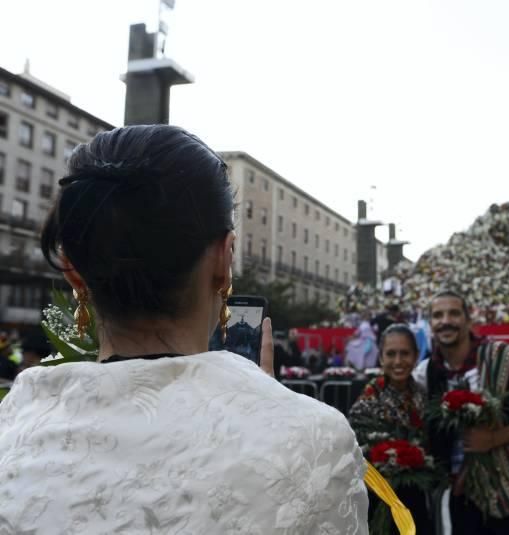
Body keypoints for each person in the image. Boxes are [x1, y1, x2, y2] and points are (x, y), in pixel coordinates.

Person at [0, 125, 367, 532]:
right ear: (224, 260)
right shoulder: (312, 443)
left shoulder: (11, 430)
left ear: (74, 272)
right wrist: (264, 413)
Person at [412, 290, 509, 535]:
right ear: (431, 325)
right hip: (462, 495)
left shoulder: (505, 358)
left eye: (454, 313)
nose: (445, 320)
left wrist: (494, 439)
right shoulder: (426, 372)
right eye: (437, 315)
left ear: (469, 320)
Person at [349, 324, 434, 535]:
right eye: (391, 354)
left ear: (416, 356)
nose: (398, 361)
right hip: (378, 499)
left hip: (416, 497)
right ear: (381, 358)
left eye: (405, 353)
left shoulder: (424, 398)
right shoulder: (368, 400)